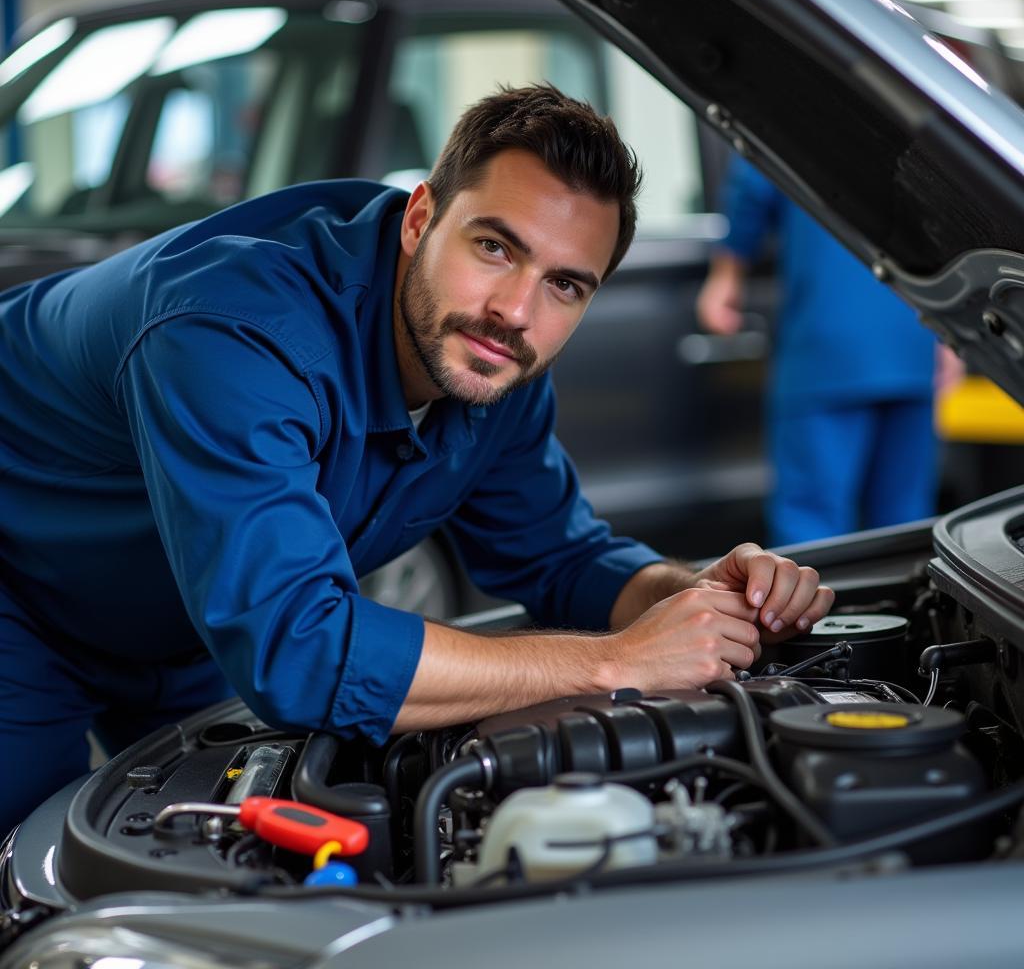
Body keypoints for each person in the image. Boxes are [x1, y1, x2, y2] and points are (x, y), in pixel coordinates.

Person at [0, 86, 833, 835]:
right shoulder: (230, 330)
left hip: (183, 622)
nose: (514, 312)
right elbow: (298, 648)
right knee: (25, 867)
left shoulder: (495, 370)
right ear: (419, 218)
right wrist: (618, 661)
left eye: (565, 285)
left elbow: (560, 555)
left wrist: (691, 596)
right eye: (496, 248)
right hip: (19, 593)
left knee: (201, 859)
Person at [697, 157, 938, 546]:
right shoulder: (917, 124)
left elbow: (753, 185)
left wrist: (726, 275)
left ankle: (813, 610)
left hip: (826, 350)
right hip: (911, 343)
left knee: (812, 526)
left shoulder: (799, 111)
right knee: (905, 521)